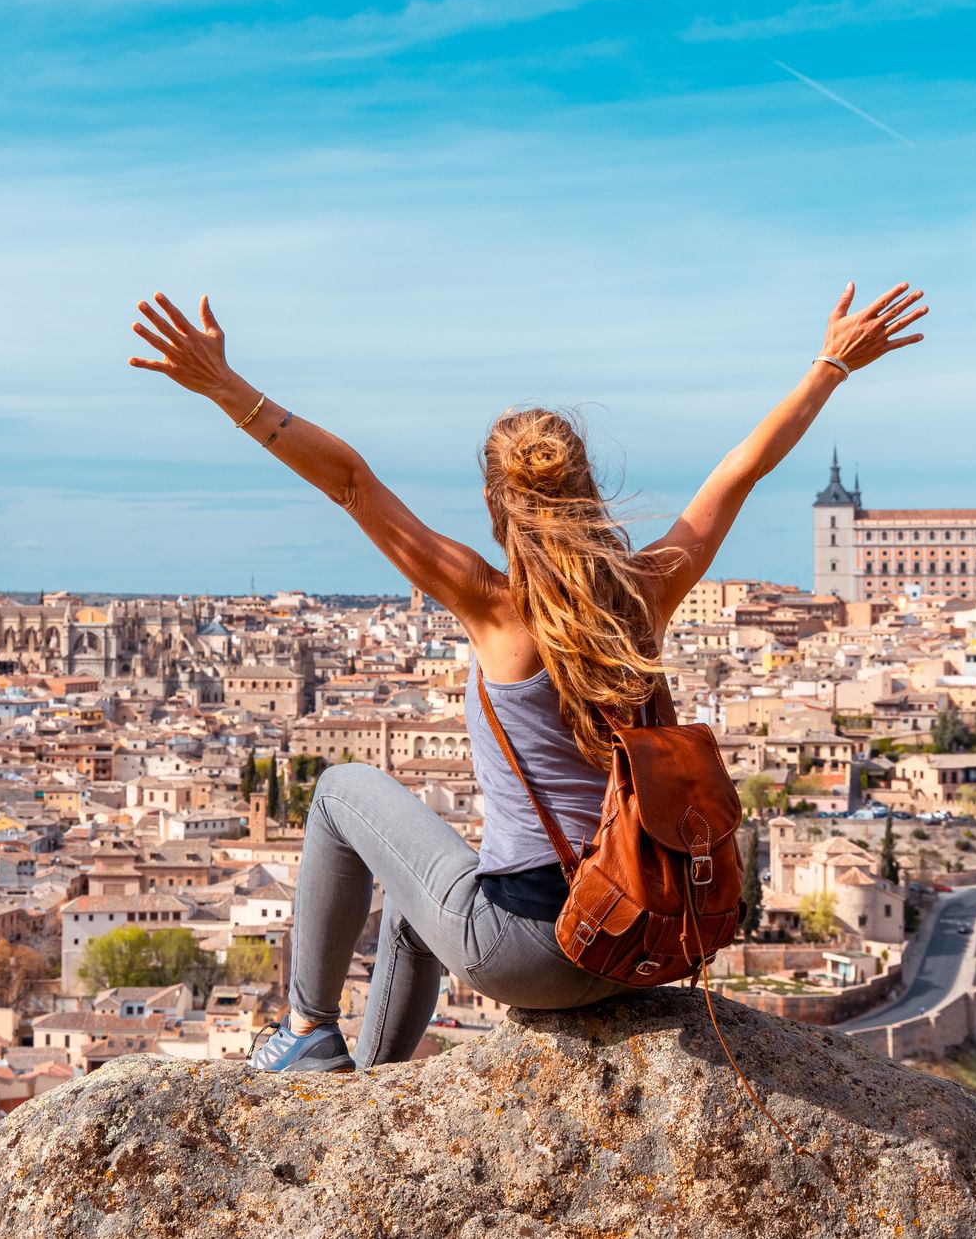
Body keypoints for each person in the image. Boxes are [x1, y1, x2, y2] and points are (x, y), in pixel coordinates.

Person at [127, 282, 927, 1071]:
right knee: (420, 904)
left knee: (337, 787)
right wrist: (829, 364)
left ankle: (306, 1027)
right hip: (630, 938)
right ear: (586, 492)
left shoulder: (493, 607)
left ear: (494, 503)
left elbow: (351, 483)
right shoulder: (646, 592)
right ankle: (366, 1085)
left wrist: (225, 388)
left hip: (529, 953)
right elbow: (739, 472)